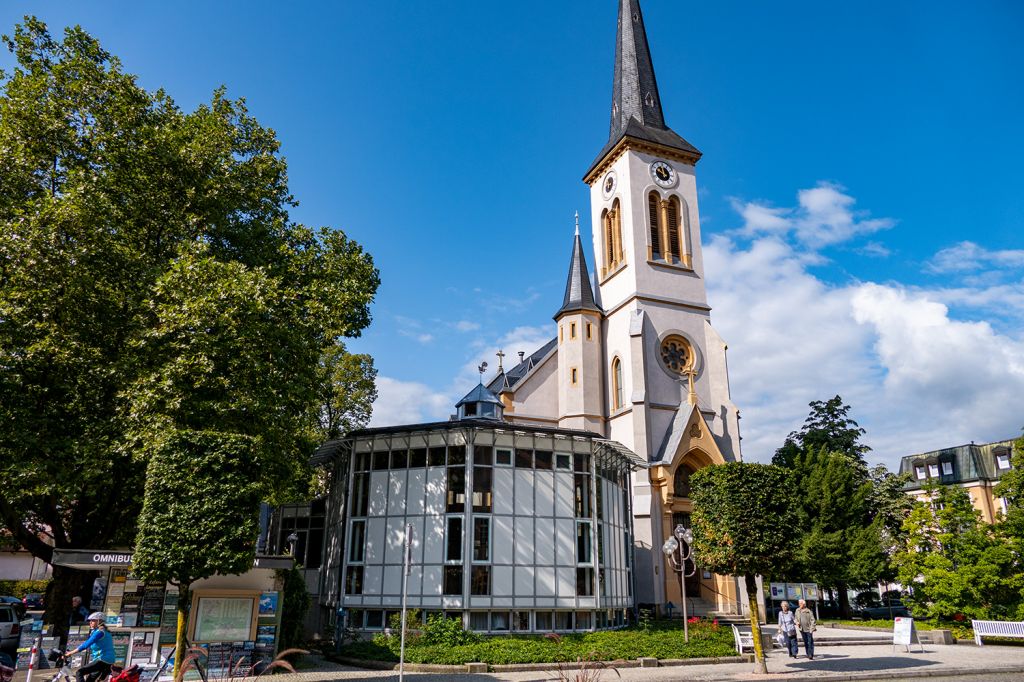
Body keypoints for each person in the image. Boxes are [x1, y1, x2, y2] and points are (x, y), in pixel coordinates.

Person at [67, 612, 115, 682]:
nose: (90, 622)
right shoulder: (105, 631)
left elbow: (86, 645)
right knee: (89, 680)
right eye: (90, 621)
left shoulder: (100, 632)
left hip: (102, 659)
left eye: (93, 620)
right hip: (108, 660)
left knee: (79, 672)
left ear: (99, 621)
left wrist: (69, 653)